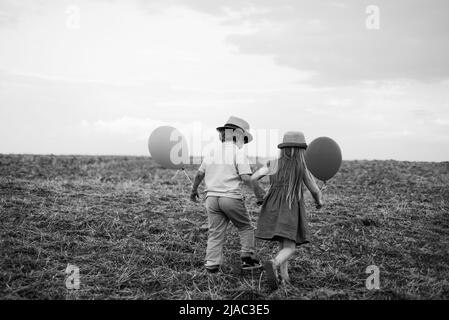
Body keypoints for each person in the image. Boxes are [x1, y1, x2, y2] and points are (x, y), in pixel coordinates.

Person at [190, 116, 265, 273]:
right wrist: (259, 195)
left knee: (215, 232)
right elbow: (246, 178)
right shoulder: (238, 154)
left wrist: (193, 190)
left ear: (222, 135)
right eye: (243, 139)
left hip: (211, 199)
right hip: (230, 197)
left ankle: (211, 264)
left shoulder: (211, 152)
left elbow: (199, 174)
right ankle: (248, 259)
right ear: (238, 137)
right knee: (245, 227)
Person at [251, 131, 324, 290]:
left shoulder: (273, 164)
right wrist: (319, 202)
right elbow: (315, 190)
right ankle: (274, 263)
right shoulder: (301, 166)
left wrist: (259, 196)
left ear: (283, 148)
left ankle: (284, 278)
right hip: (289, 210)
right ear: (301, 150)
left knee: (283, 246)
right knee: (290, 247)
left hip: (271, 208)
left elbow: (253, 178)